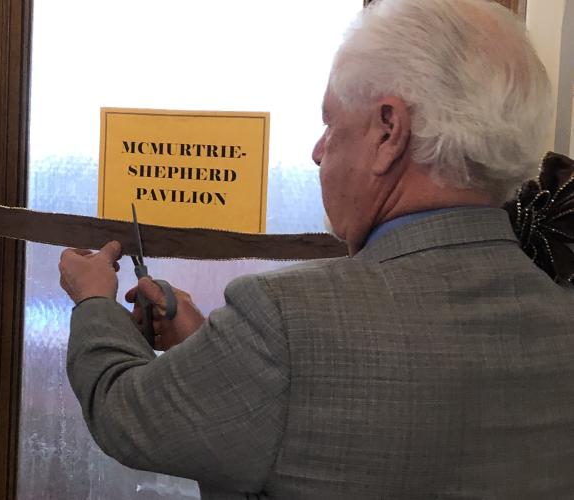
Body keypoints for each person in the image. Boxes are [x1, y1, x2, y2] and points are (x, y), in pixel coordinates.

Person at [58, 0, 574, 498]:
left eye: (330, 122)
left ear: (388, 131)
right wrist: (208, 347)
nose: (317, 150)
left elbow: (124, 412)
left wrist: (95, 302)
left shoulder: (283, 322)